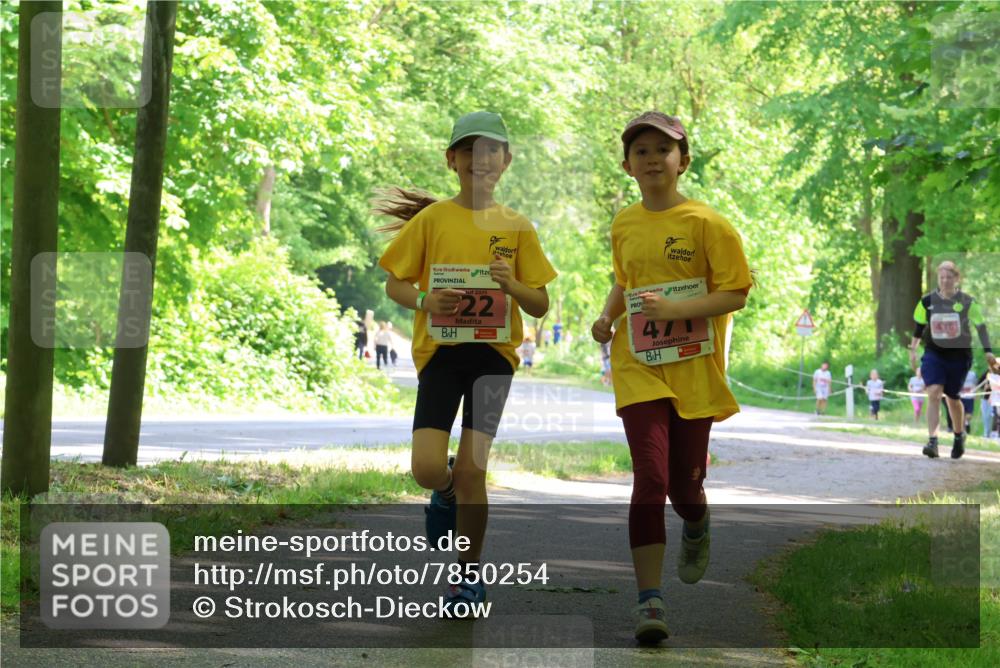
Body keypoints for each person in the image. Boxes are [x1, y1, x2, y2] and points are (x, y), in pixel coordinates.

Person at [376, 111, 556, 613]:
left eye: (492, 150)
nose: (482, 160)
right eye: (470, 151)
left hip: (494, 359)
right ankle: (446, 489)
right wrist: (425, 300)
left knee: (477, 468)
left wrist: (513, 285)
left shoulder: (518, 228)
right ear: (452, 160)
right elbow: (395, 282)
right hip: (441, 355)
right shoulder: (432, 220)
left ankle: (467, 575)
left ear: (507, 160)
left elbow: (539, 304)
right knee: (426, 468)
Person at [590, 112, 752, 644]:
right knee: (650, 477)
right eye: (641, 151)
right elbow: (626, 280)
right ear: (627, 165)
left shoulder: (708, 224)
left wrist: (678, 309)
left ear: (683, 161)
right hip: (638, 365)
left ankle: (697, 520)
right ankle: (649, 601)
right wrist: (608, 316)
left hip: (694, 370)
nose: (653, 158)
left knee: (684, 487)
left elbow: (735, 293)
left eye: (664, 149)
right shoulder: (624, 223)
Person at [910, 260, 996, 459]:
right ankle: (933, 441)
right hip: (934, 353)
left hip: (959, 355)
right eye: (942, 277)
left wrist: (988, 352)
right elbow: (918, 327)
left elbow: (981, 327)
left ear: (956, 279)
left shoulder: (967, 302)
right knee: (933, 392)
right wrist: (913, 349)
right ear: (938, 279)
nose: (945, 281)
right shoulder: (927, 301)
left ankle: (958, 436)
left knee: (952, 396)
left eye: (949, 277)